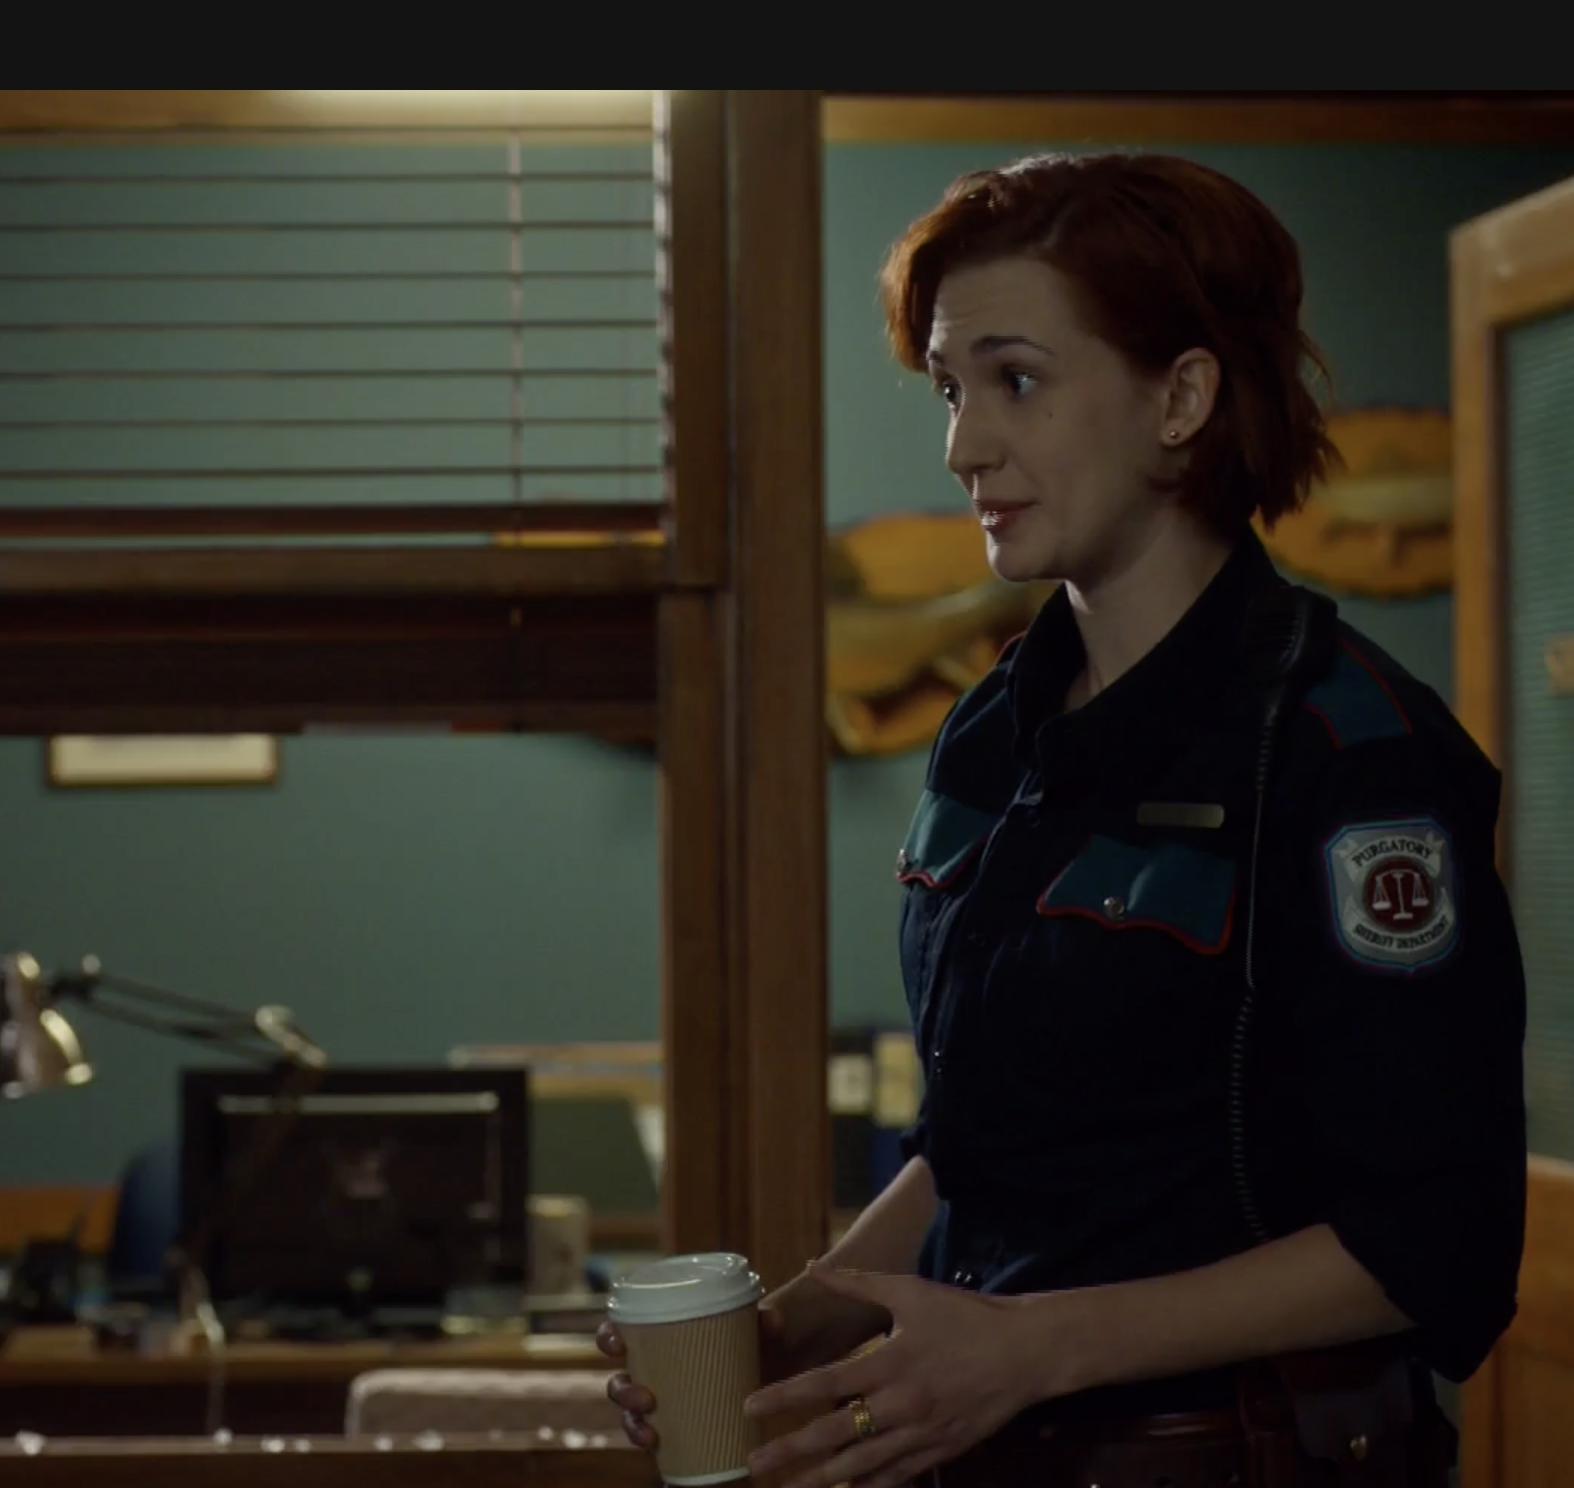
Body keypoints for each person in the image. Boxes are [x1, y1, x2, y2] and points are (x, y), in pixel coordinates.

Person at [600, 153, 1526, 1487]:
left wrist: (1031, 1350)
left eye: (1017, 381)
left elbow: (1432, 1241)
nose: (962, 445)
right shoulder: (990, 730)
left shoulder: (1349, 756)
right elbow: (982, 1146)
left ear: (1181, 398)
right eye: (948, 388)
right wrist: (790, 1329)